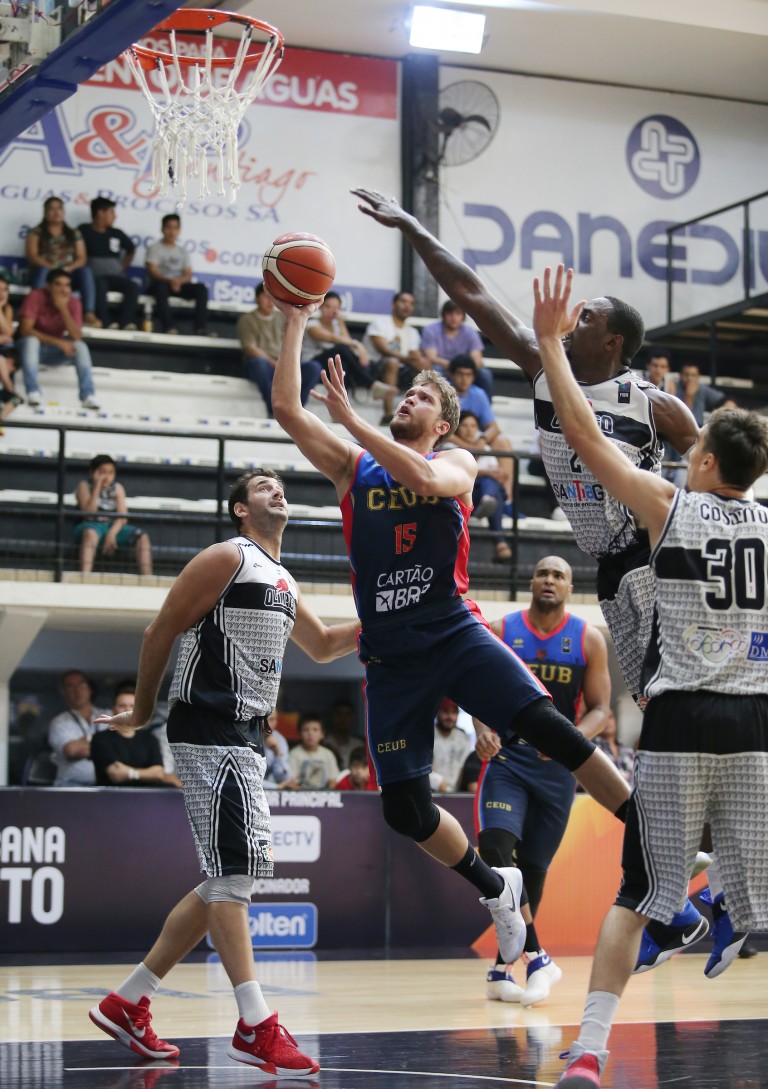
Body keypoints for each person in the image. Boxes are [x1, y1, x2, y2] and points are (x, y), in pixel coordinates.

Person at [349, 187, 713, 969]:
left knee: (673, 718)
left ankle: (693, 867)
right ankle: (678, 882)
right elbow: (474, 293)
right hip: (614, 573)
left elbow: (719, 457)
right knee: (656, 725)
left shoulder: (655, 405)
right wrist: (412, 226)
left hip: (660, 558)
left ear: (612, 341)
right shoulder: (548, 369)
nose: (569, 321)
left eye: (587, 317)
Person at [270, 289, 632, 974]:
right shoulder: (353, 467)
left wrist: (352, 420)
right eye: (405, 393)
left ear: (443, 422)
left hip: (453, 630)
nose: (408, 399)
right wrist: (295, 321)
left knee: (552, 728)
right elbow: (288, 409)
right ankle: (496, 889)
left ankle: (646, 831)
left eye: (422, 398)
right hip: (391, 657)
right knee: (404, 811)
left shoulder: (459, 462)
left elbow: (422, 476)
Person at [530, 265, 768, 1088]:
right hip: (755, 719)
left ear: (701, 460)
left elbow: (583, 434)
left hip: (680, 715)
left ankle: (591, 1049)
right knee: (748, 884)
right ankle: (727, 900)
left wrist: (549, 343)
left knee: (637, 893)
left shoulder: (670, 506)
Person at [88, 467, 360, 1074]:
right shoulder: (228, 557)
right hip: (209, 724)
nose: (277, 490)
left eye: (280, 485)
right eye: (262, 486)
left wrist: (392, 623)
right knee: (234, 877)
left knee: (225, 880)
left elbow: (323, 645)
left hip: (244, 735)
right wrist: (142, 712)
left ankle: (128, 1002)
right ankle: (255, 1025)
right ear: (240, 508)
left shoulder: (283, 578)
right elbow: (160, 630)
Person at [478, 554, 610, 1007]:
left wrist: (570, 741)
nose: (549, 579)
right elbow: (475, 690)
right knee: (496, 850)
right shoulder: (500, 630)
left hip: (558, 771)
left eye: (559, 575)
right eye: (542, 573)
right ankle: (537, 957)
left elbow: (600, 710)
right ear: (531, 581)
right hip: (509, 759)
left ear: (570, 588)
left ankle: (501, 969)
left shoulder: (588, 639)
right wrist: (482, 727)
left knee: (532, 871)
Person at [302, 291, 397, 416]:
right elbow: (331, 338)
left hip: (332, 367)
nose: (332, 311)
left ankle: (340, 410)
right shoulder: (312, 324)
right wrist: (358, 345)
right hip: (314, 366)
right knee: (341, 350)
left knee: (343, 361)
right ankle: (371, 385)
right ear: (320, 307)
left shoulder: (337, 326)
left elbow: (348, 346)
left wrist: (341, 323)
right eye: (328, 307)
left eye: (336, 308)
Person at [236, 281, 321, 416]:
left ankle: (296, 410)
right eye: (265, 297)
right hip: (263, 364)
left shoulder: (283, 317)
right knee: (259, 364)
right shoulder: (247, 319)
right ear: (257, 298)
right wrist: (275, 363)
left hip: (283, 363)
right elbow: (250, 348)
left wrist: (286, 365)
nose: (269, 301)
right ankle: (275, 411)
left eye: (272, 298)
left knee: (314, 367)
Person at [17, 269, 99, 409]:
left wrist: (63, 309)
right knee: (32, 341)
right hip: (28, 350)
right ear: (48, 286)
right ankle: (33, 392)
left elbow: (77, 336)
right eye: (58, 284)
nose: (64, 289)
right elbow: (25, 330)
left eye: (67, 285)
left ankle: (88, 395)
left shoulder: (73, 302)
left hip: (55, 352)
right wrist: (58, 342)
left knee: (80, 346)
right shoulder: (36, 296)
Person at [25, 196, 98, 327]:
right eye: (52, 209)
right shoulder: (36, 232)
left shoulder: (73, 233)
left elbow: (81, 258)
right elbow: (32, 256)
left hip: (68, 273)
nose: (56, 212)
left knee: (85, 271)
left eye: (59, 208)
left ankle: (89, 313)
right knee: (42, 271)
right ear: (45, 212)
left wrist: (68, 269)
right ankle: (37, 308)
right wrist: (52, 268)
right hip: (46, 272)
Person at [74, 454, 153, 576]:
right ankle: (85, 576)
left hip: (113, 526)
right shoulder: (84, 486)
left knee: (142, 536)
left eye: (110, 473)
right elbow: (89, 514)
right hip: (91, 525)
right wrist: (97, 486)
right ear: (92, 472)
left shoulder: (117, 488)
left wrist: (111, 533)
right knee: (90, 534)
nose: (106, 477)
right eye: (102, 472)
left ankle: (147, 577)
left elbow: (123, 517)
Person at [91, 686, 181, 787]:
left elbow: (158, 774)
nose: (127, 710)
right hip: (113, 794)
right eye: (122, 706)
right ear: (113, 709)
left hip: (148, 794)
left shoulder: (149, 739)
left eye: (132, 706)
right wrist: (148, 773)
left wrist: (130, 773)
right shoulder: (101, 739)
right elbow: (116, 775)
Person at [454, 410, 513, 563]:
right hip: (462, 495)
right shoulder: (449, 446)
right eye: (464, 426)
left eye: (473, 426)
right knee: (491, 485)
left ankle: (487, 500)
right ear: (457, 428)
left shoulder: (485, 448)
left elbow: (497, 473)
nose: (469, 430)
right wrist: (487, 472)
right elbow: (459, 472)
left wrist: (499, 473)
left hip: (481, 493)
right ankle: (500, 543)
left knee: (493, 486)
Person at [361, 290, 425, 420]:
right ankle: (388, 415)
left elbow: (414, 355)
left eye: (411, 303)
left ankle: (420, 414)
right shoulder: (380, 323)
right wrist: (409, 358)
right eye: (403, 302)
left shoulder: (412, 332)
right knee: (392, 361)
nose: (407, 306)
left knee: (423, 365)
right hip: (374, 367)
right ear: (393, 304)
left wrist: (418, 359)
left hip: (402, 369)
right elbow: (384, 350)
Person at [145, 213, 211, 336]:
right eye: (169, 227)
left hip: (177, 285)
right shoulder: (155, 248)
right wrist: (170, 280)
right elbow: (152, 271)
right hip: (161, 285)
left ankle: (200, 328)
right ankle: (168, 326)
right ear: (162, 229)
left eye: (175, 228)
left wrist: (178, 281)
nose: (172, 232)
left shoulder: (182, 251)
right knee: (160, 286)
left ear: (179, 230)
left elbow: (188, 274)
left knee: (201, 289)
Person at [79, 196, 139, 331]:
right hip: (95, 277)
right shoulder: (84, 230)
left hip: (116, 276)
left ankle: (126, 322)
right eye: (112, 212)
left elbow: (131, 249)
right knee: (101, 284)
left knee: (133, 286)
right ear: (100, 213)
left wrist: (123, 267)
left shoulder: (117, 233)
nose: (115, 216)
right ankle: (105, 322)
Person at [47, 670, 110, 786]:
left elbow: (122, 744)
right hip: (71, 786)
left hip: (106, 785)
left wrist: (83, 742)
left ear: (90, 689)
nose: (77, 690)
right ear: (64, 693)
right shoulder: (59, 722)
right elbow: (72, 751)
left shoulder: (108, 715)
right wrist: (106, 745)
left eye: (81, 684)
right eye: (70, 687)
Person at [421, 299, 493, 397]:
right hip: (443, 368)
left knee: (485, 374)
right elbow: (431, 357)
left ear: (463, 316)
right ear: (443, 315)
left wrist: (462, 369)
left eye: (458, 314)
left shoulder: (470, 333)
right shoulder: (431, 330)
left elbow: (477, 360)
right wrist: (453, 366)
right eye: (450, 314)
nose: (454, 318)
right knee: (436, 370)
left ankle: (485, 404)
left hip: (464, 369)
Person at [287, 713, 339, 789]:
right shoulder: (294, 754)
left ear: (322, 734)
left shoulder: (328, 754)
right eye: (306, 730)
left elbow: (334, 780)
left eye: (315, 730)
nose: (310, 733)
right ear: (299, 734)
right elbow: (291, 781)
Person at [432, 697, 471, 792]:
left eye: (454, 712)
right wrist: (437, 781)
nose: (450, 717)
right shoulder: (428, 734)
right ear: (437, 712)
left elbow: (465, 766)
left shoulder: (461, 736)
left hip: (457, 793)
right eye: (445, 711)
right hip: (432, 792)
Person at [0, 276, 22, 428]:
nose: (2, 293)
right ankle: (9, 387)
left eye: (5, 290)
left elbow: (8, 334)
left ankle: (2, 414)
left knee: (7, 354)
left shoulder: (7, 309)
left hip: (4, 353)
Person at [593, 709, 635, 785]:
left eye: (610, 717)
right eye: (603, 718)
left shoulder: (629, 752)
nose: (607, 722)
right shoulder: (593, 750)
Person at [322, 697, 366, 768]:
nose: (343, 718)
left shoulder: (358, 744)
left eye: (347, 714)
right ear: (333, 716)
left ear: (352, 717)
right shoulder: (324, 743)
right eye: (339, 714)